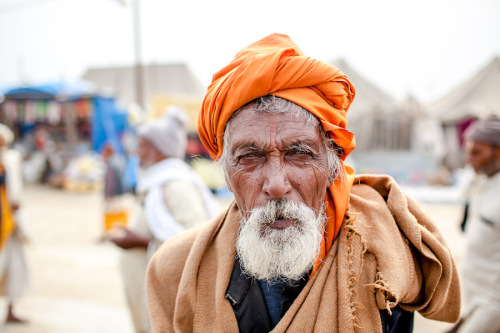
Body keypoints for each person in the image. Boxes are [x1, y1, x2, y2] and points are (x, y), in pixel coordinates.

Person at [145, 34, 461, 333]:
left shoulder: (382, 257)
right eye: (250, 156)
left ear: (333, 166)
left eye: (299, 153)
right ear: (226, 173)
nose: (277, 185)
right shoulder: (176, 270)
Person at [109, 106, 220, 333]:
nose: (136, 153)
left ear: (158, 150)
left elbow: (198, 241)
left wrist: (140, 243)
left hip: (167, 294)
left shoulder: (177, 186)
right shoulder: (157, 183)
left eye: (141, 146)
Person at [448, 115, 500, 333]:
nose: (469, 159)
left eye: (476, 153)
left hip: (493, 302)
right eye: (467, 151)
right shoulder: (480, 178)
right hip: (472, 296)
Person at [0, 123, 29, 324]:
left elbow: (15, 194)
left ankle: (10, 310)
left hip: (9, 225)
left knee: (15, 268)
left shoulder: (9, 162)